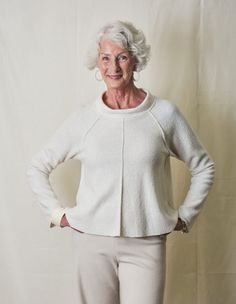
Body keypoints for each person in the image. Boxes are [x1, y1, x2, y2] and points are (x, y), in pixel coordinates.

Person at [26, 20, 215, 304]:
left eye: (122, 57)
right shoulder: (85, 119)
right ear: (97, 64)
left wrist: (186, 215)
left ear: (136, 60)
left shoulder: (163, 115)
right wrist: (57, 213)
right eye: (106, 58)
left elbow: (204, 166)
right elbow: (37, 167)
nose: (113, 67)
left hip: (147, 244)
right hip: (92, 243)